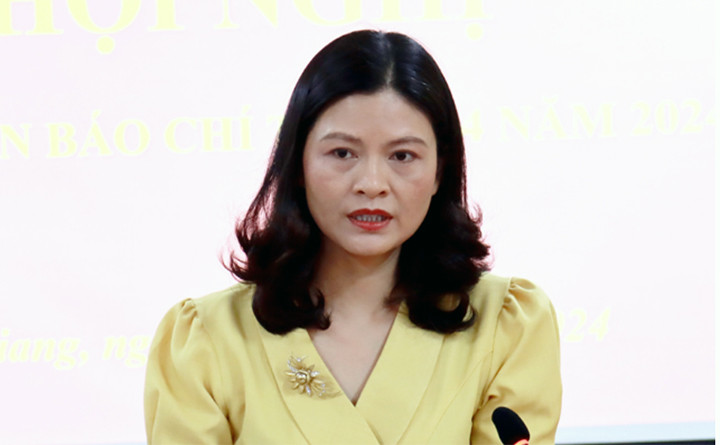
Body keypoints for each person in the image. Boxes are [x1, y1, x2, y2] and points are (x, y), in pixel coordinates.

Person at [144, 30, 562, 444]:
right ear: (298, 165)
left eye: (402, 156)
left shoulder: (506, 326)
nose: (372, 184)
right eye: (342, 153)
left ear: (439, 171)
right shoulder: (206, 341)